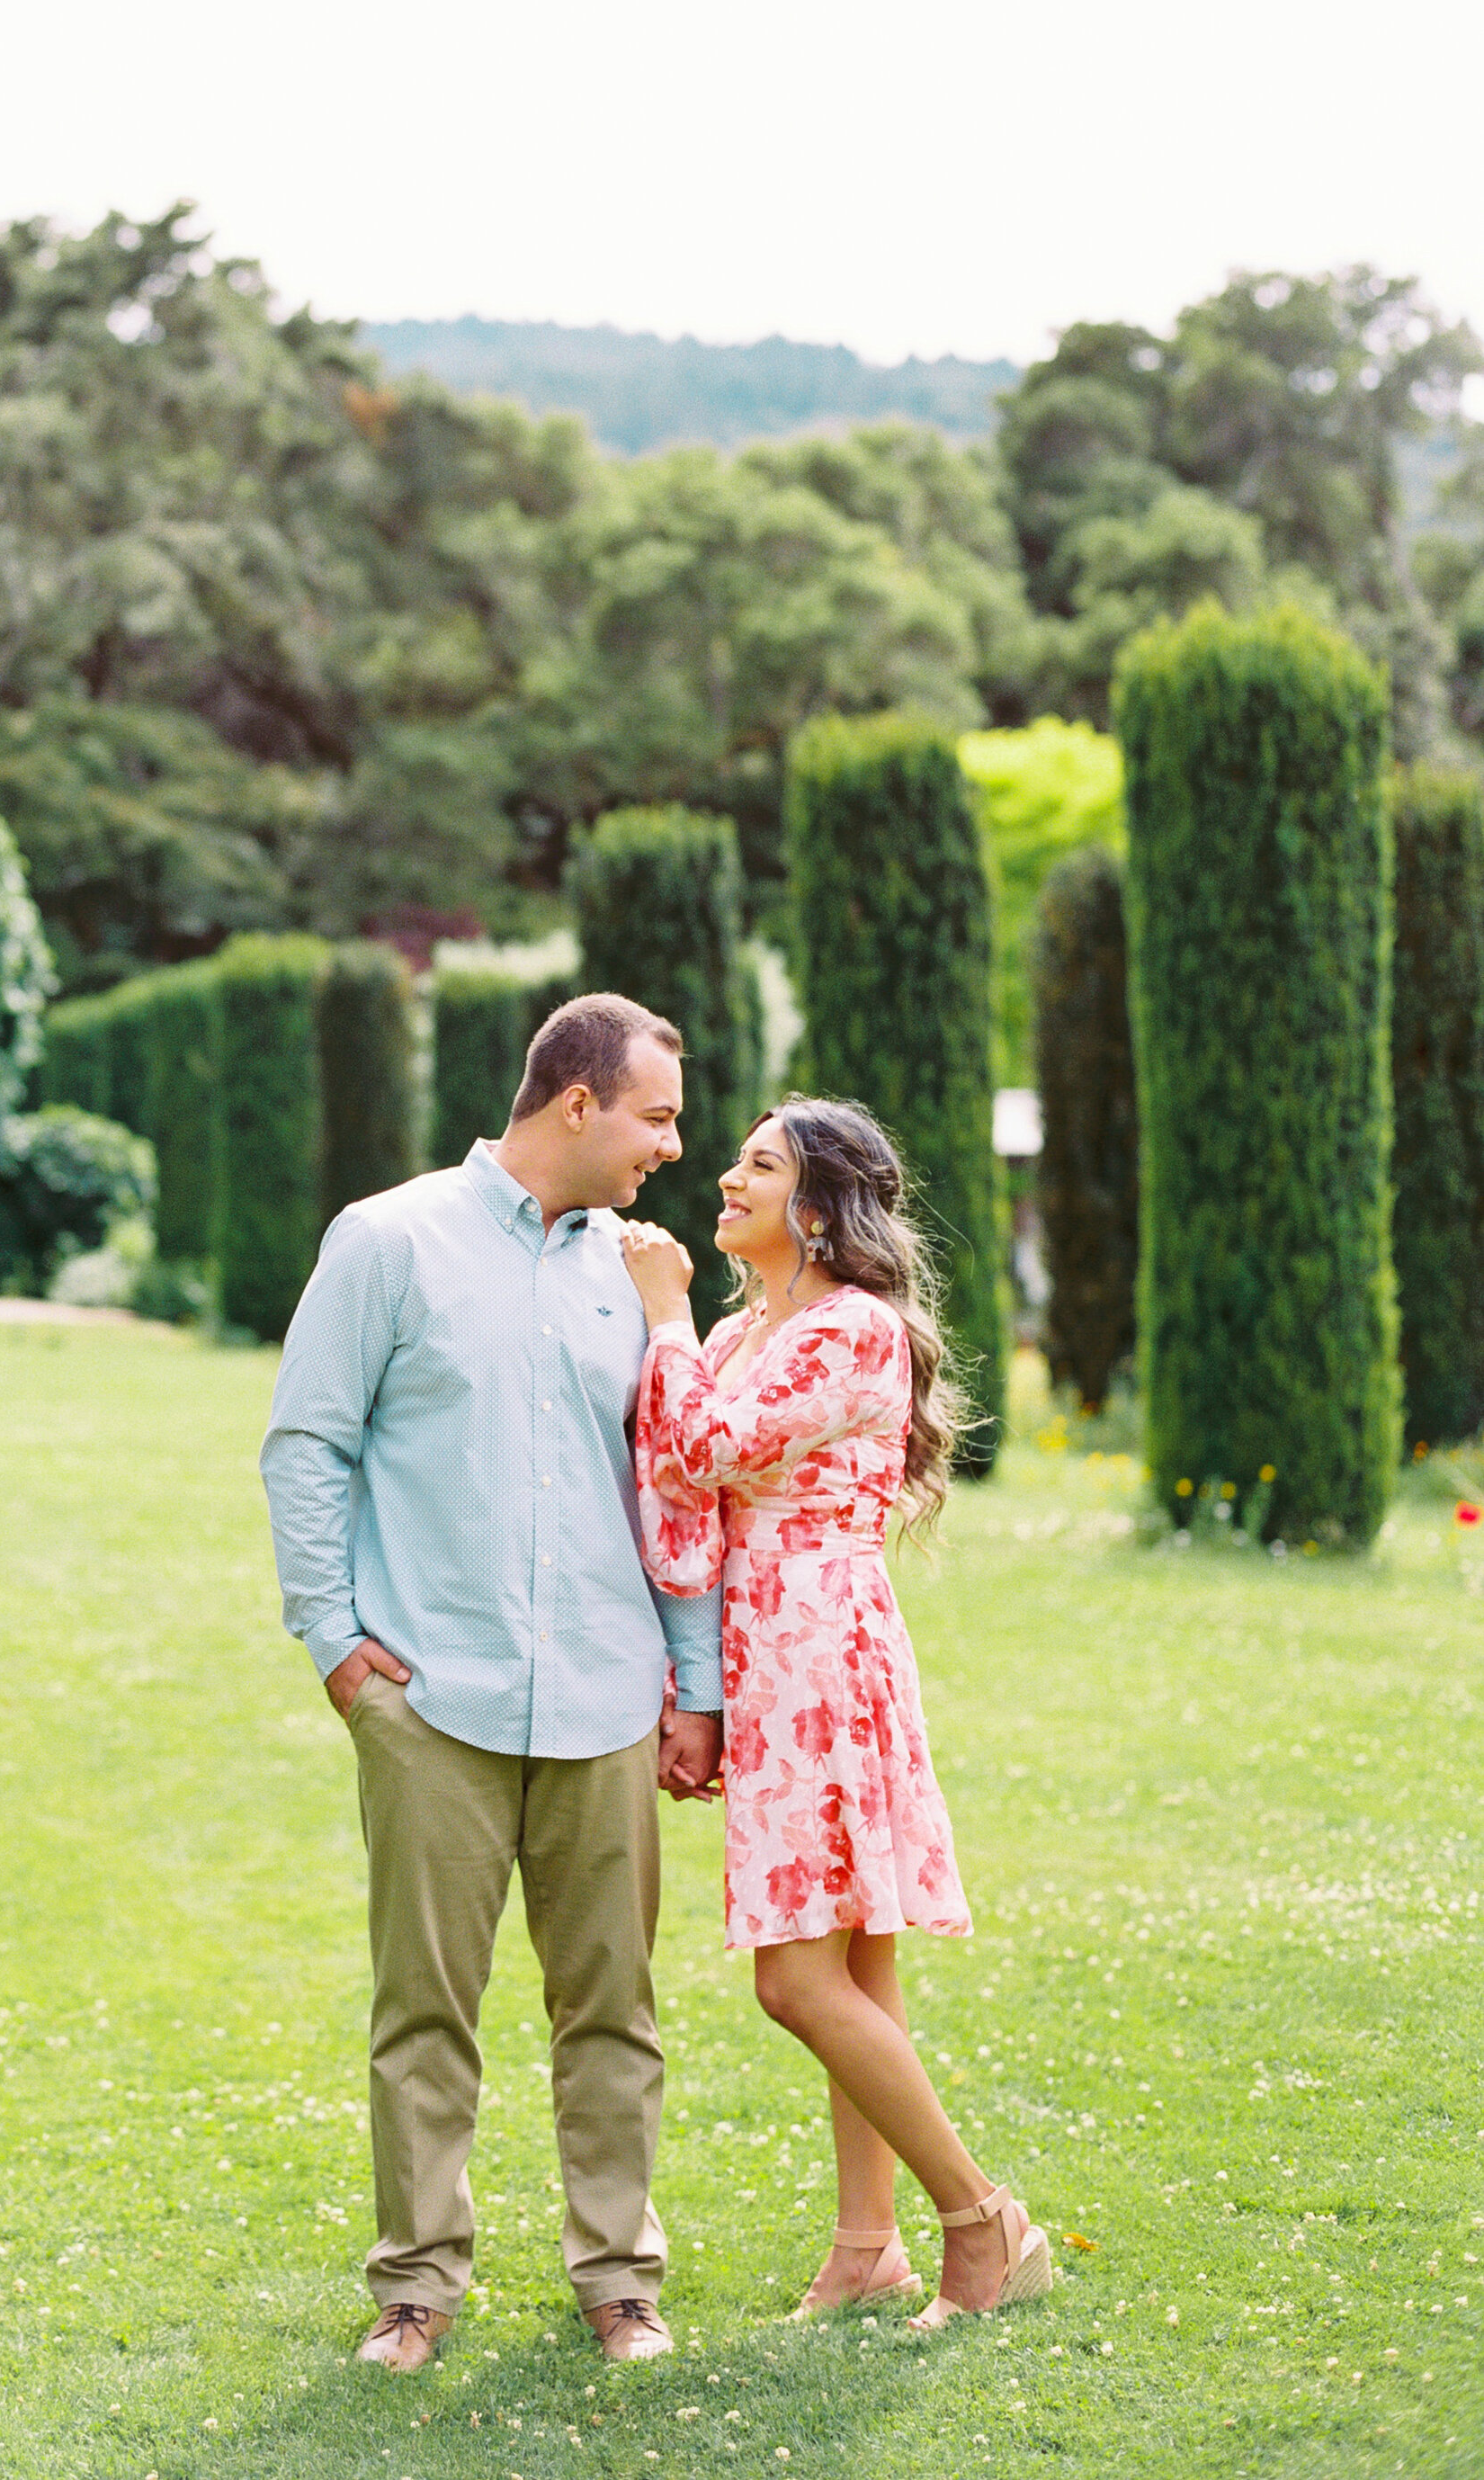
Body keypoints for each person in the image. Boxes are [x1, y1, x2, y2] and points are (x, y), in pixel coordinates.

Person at [260, 994, 726, 2376]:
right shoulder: (388, 1239)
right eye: (657, 1115)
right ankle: (415, 2288)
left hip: (604, 1697)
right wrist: (337, 1640)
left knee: (614, 2012)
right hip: (432, 1701)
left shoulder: (639, 1278)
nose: (674, 1146)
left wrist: (691, 1684)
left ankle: (620, 2283)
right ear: (575, 1102)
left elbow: (679, 1486)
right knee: (423, 2009)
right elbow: (305, 1443)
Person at [618, 1097, 1053, 2331]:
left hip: (818, 1651)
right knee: (858, 1956)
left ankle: (982, 2218)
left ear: (816, 1207)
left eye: (759, 1164)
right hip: (771, 1647)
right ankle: (869, 2245)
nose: (726, 1176)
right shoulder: (750, 1325)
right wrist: (689, 1684)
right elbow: (679, 1488)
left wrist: (659, 1317)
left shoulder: (851, 1329)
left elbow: (695, 1447)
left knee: (795, 1978)